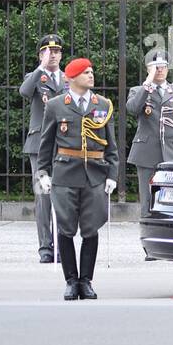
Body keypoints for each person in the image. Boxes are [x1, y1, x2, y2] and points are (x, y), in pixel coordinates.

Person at [35, 57, 118, 299]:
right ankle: (71, 280)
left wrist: (112, 174)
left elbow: (112, 147)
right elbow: (46, 144)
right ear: (71, 77)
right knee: (66, 228)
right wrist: (43, 174)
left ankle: (87, 281)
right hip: (65, 174)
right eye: (86, 72)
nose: (91, 75)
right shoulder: (56, 105)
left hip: (95, 174)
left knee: (91, 229)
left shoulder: (103, 104)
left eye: (91, 71)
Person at [126, 51, 173, 220]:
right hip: (146, 154)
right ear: (148, 69)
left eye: (163, 66)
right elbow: (133, 109)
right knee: (148, 202)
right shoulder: (139, 91)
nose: (160, 70)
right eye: (156, 67)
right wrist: (147, 83)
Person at [20, 32, 67, 262]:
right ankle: (45, 248)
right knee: (43, 197)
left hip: (64, 146)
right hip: (39, 145)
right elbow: (24, 92)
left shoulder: (68, 80)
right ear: (41, 54)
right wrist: (40, 67)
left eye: (57, 51)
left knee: (62, 196)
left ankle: (62, 246)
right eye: (49, 51)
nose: (53, 55)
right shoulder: (35, 77)